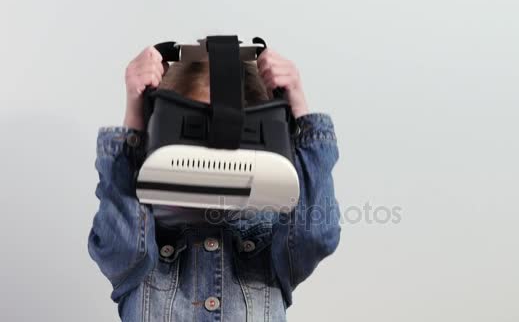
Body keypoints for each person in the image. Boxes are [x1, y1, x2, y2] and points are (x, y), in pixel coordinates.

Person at [87, 44, 341, 321]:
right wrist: (135, 116)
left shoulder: (270, 238)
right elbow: (119, 244)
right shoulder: (142, 238)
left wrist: (299, 107)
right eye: (196, 131)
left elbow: (316, 234)